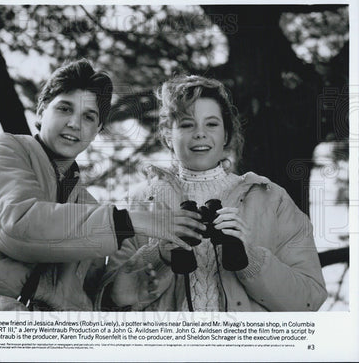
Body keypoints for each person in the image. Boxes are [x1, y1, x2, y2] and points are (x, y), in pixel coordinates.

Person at [0, 59, 202, 311]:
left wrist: (115, 295)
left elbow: (82, 298)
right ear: (42, 111)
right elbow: (17, 226)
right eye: (65, 108)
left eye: (89, 117)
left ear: (97, 129)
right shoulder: (4, 150)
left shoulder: (88, 206)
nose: (75, 123)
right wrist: (130, 221)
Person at [96, 75, 327, 312]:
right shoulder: (137, 203)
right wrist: (157, 255)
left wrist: (252, 259)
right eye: (187, 124)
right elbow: (106, 305)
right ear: (167, 135)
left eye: (212, 124)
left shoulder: (272, 199)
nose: (200, 133)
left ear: (226, 134)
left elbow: (309, 300)